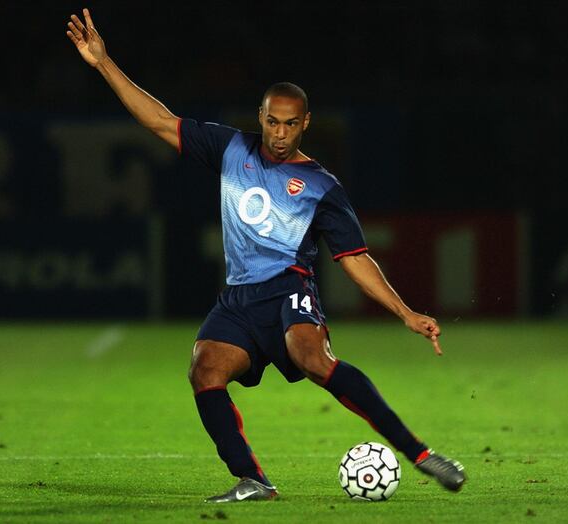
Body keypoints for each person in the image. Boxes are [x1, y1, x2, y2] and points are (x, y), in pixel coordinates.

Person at [67, 8, 466, 503]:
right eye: (272, 122)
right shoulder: (231, 148)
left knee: (312, 359)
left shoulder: (322, 187)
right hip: (238, 299)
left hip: (288, 288)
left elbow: (355, 258)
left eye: (290, 125)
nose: (279, 134)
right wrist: (104, 63)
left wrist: (405, 312)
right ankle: (253, 480)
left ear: (305, 125)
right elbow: (159, 121)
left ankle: (421, 454)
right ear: (260, 118)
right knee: (205, 368)